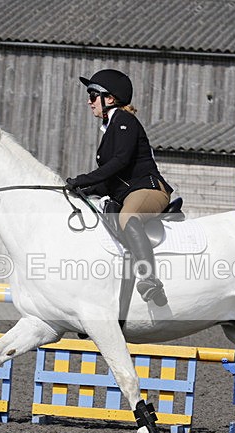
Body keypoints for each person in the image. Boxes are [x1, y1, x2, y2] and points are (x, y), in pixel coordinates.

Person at [66, 69, 173, 307]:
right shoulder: (111, 125)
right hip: (128, 191)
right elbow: (108, 181)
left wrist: (83, 179)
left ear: (110, 99)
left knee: (128, 216)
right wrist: (81, 189)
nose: (89, 101)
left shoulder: (125, 121)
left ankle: (149, 279)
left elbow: (120, 162)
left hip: (150, 190)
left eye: (93, 95)